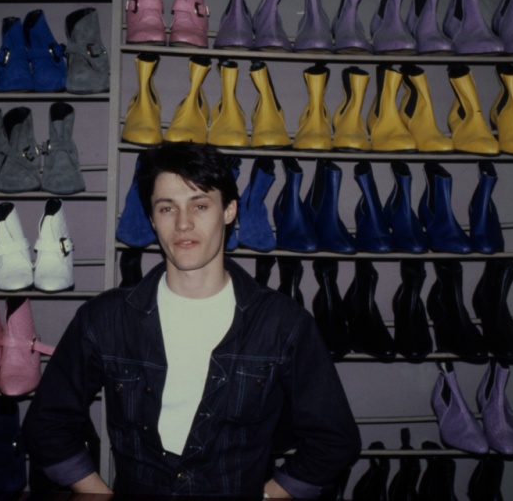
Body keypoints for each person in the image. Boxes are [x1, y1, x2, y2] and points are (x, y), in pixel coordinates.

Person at [23, 142, 361, 498]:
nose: (183, 223)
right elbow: (47, 422)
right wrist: (96, 493)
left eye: (200, 205)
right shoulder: (106, 318)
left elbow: (335, 438)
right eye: (167, 208)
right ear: (152, 218)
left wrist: (271, 494)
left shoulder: (282, 324)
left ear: (229, 211)